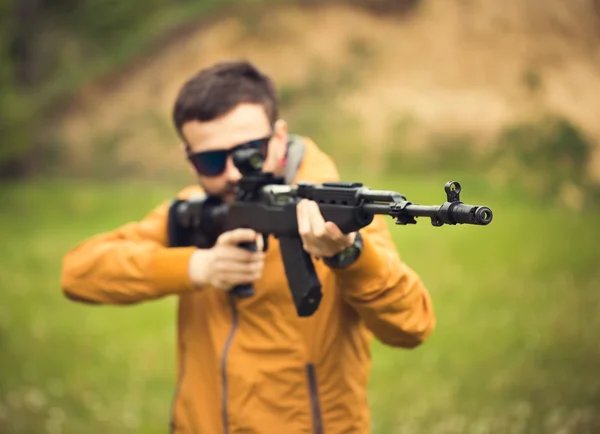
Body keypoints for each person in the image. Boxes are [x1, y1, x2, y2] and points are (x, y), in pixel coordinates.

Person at [60, 60, 436, 434]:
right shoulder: (196, 207)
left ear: (278, 137)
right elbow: (78, 273)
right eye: (210, 160)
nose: (233, 173)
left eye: (249, 153)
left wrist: (352, 257)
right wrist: (197, 267)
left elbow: (412, 326)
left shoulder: (334, 212)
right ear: (188, 160)